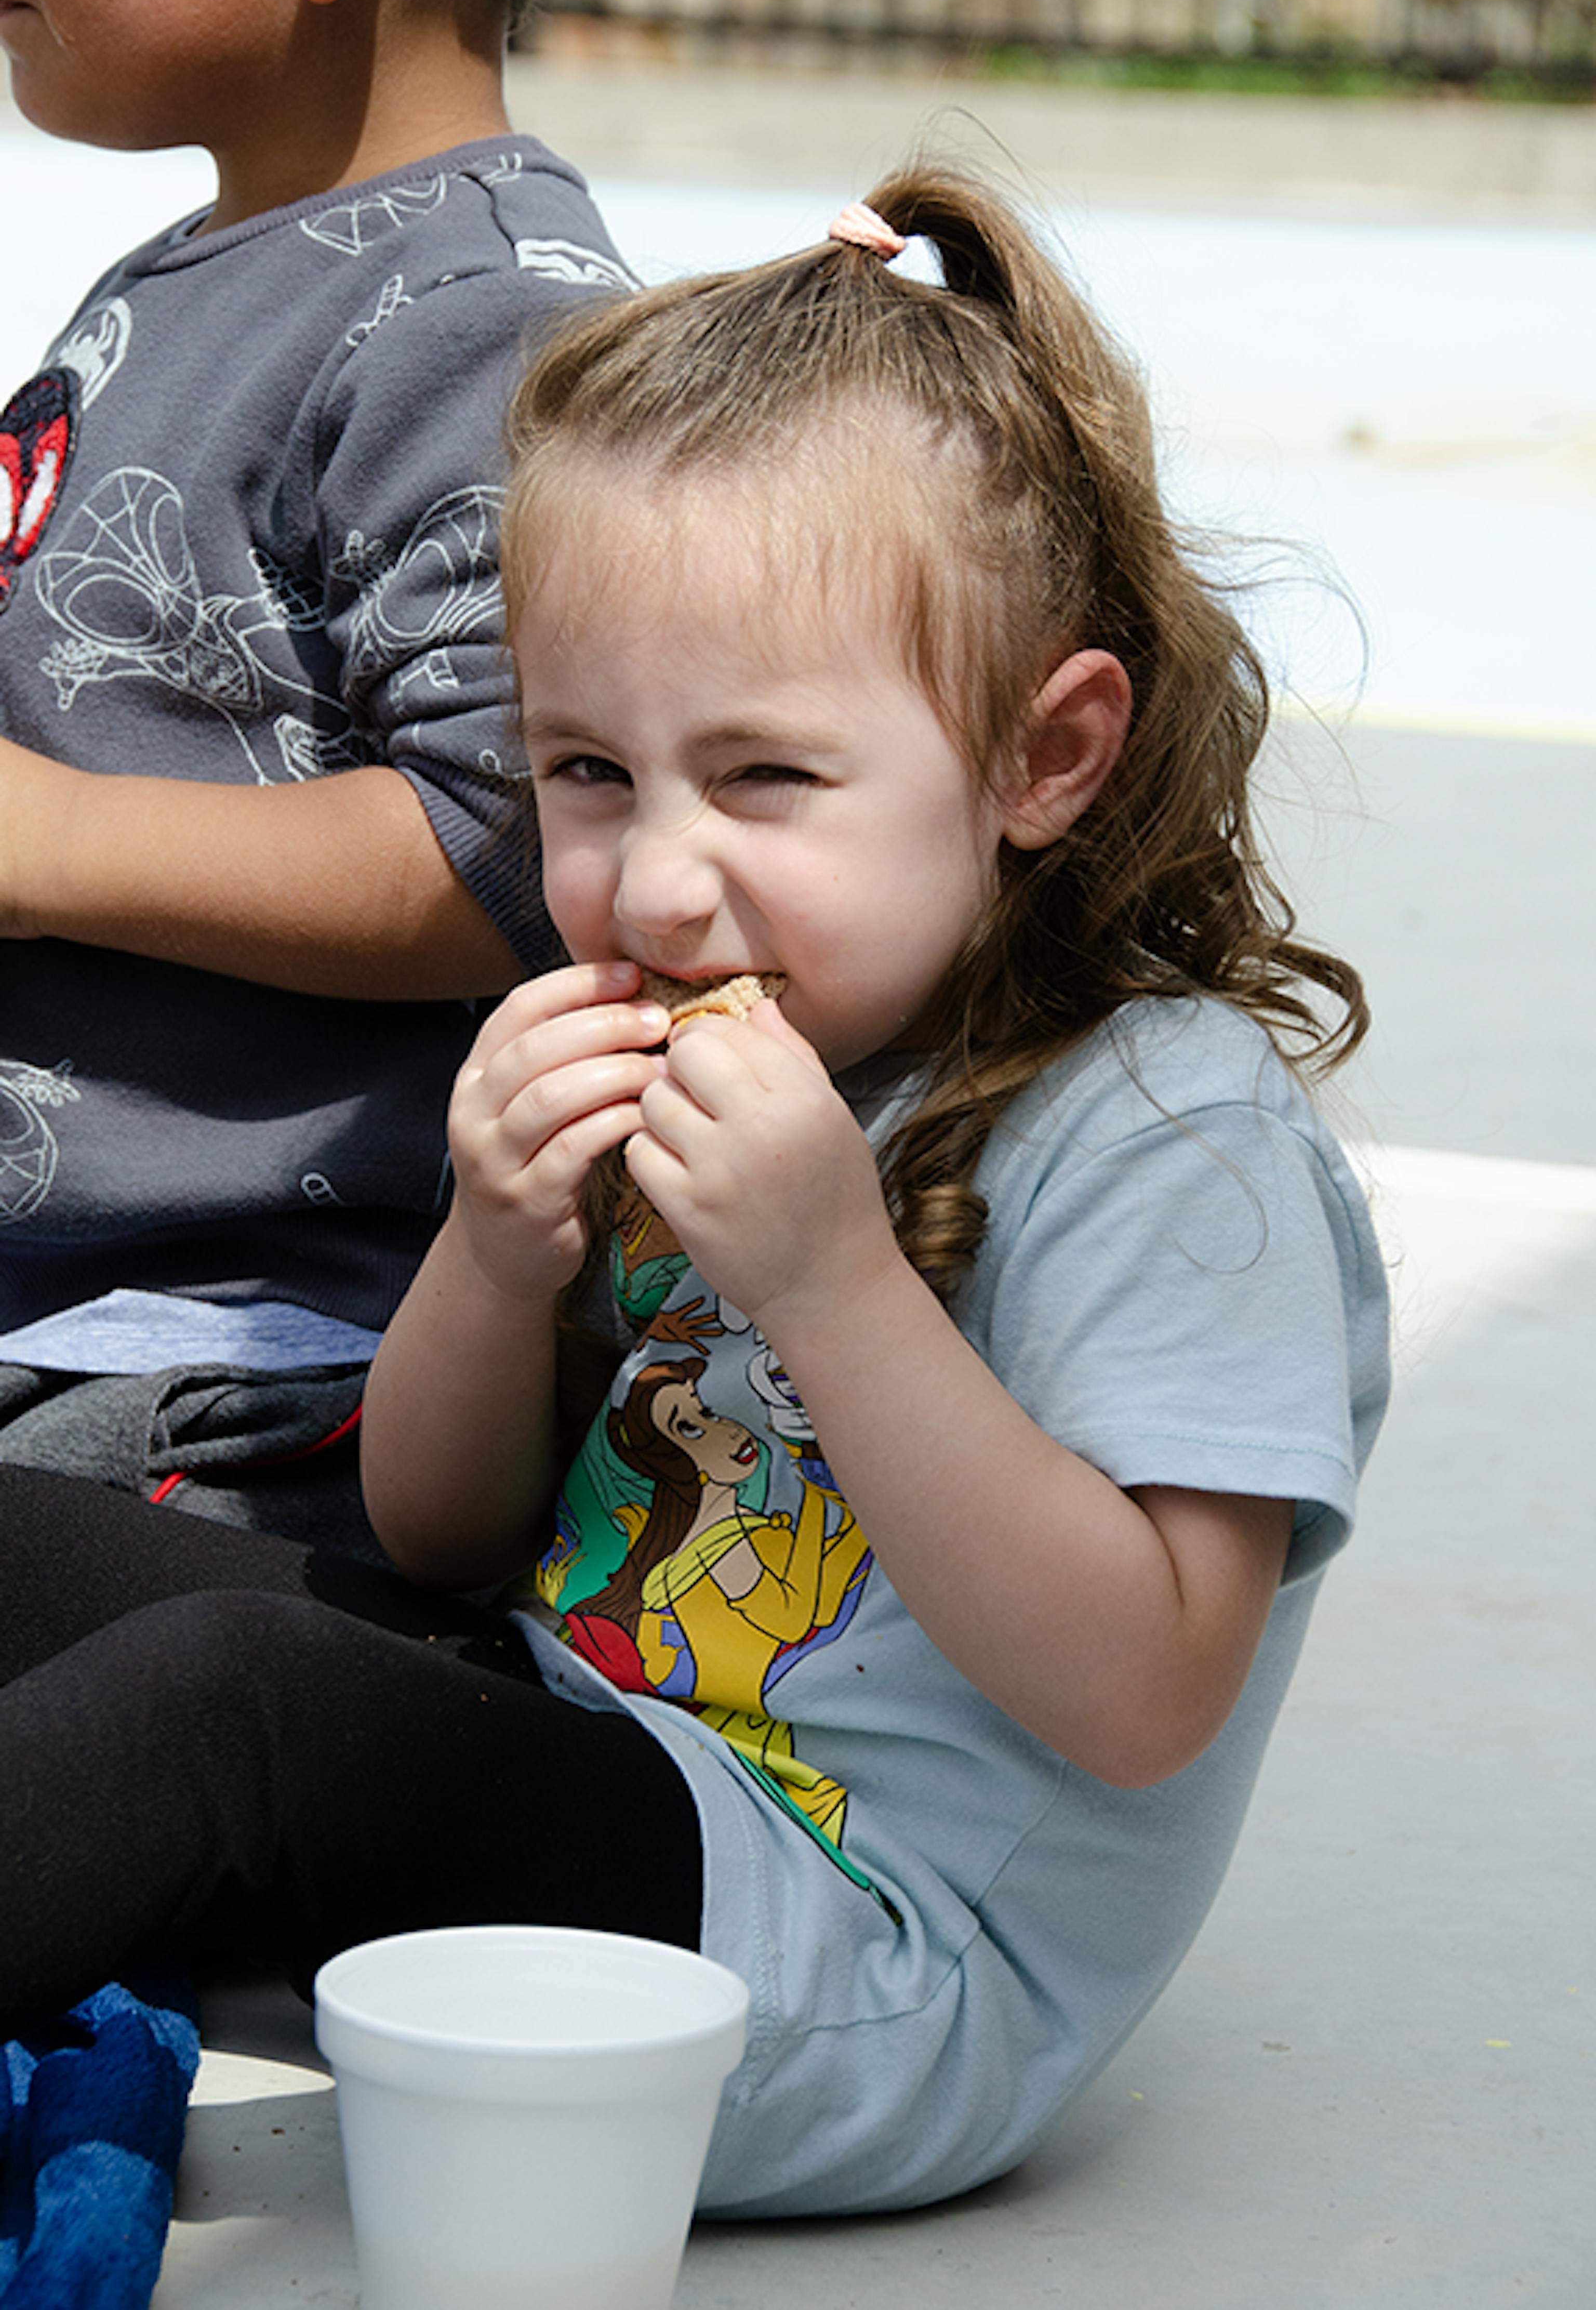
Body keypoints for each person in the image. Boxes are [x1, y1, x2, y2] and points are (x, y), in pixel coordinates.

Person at [0, 173, 1390, 2221]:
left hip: (842, 1949)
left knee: (232, 1722)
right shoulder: (721, 1040)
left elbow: (1146, 1692)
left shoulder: (1166, 1132)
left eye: (763, 778)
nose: (656, 881)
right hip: (585, 1738)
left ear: (1047, 754)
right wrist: (494, 1251)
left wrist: (833, 1281)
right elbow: (448, 1534)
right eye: (588, 772)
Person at [0, 0, 629, 1549]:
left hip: (231, 1367)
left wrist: (48, 844)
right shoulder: (221, 260)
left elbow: (518, 836)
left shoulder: (481, 314)